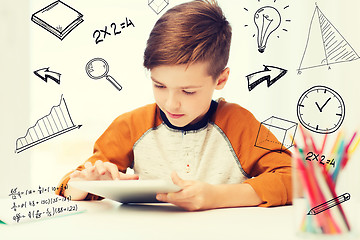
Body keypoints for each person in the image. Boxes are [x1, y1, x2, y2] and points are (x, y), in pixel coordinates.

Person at [56, 0, 292, 211]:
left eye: (188, 91)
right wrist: (85, 186)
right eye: (159, 86)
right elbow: (69, 183)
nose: (171, 103)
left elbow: (296, 177)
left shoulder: (238, 124)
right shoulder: (131, 126)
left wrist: (217, 197)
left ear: (220, 79)